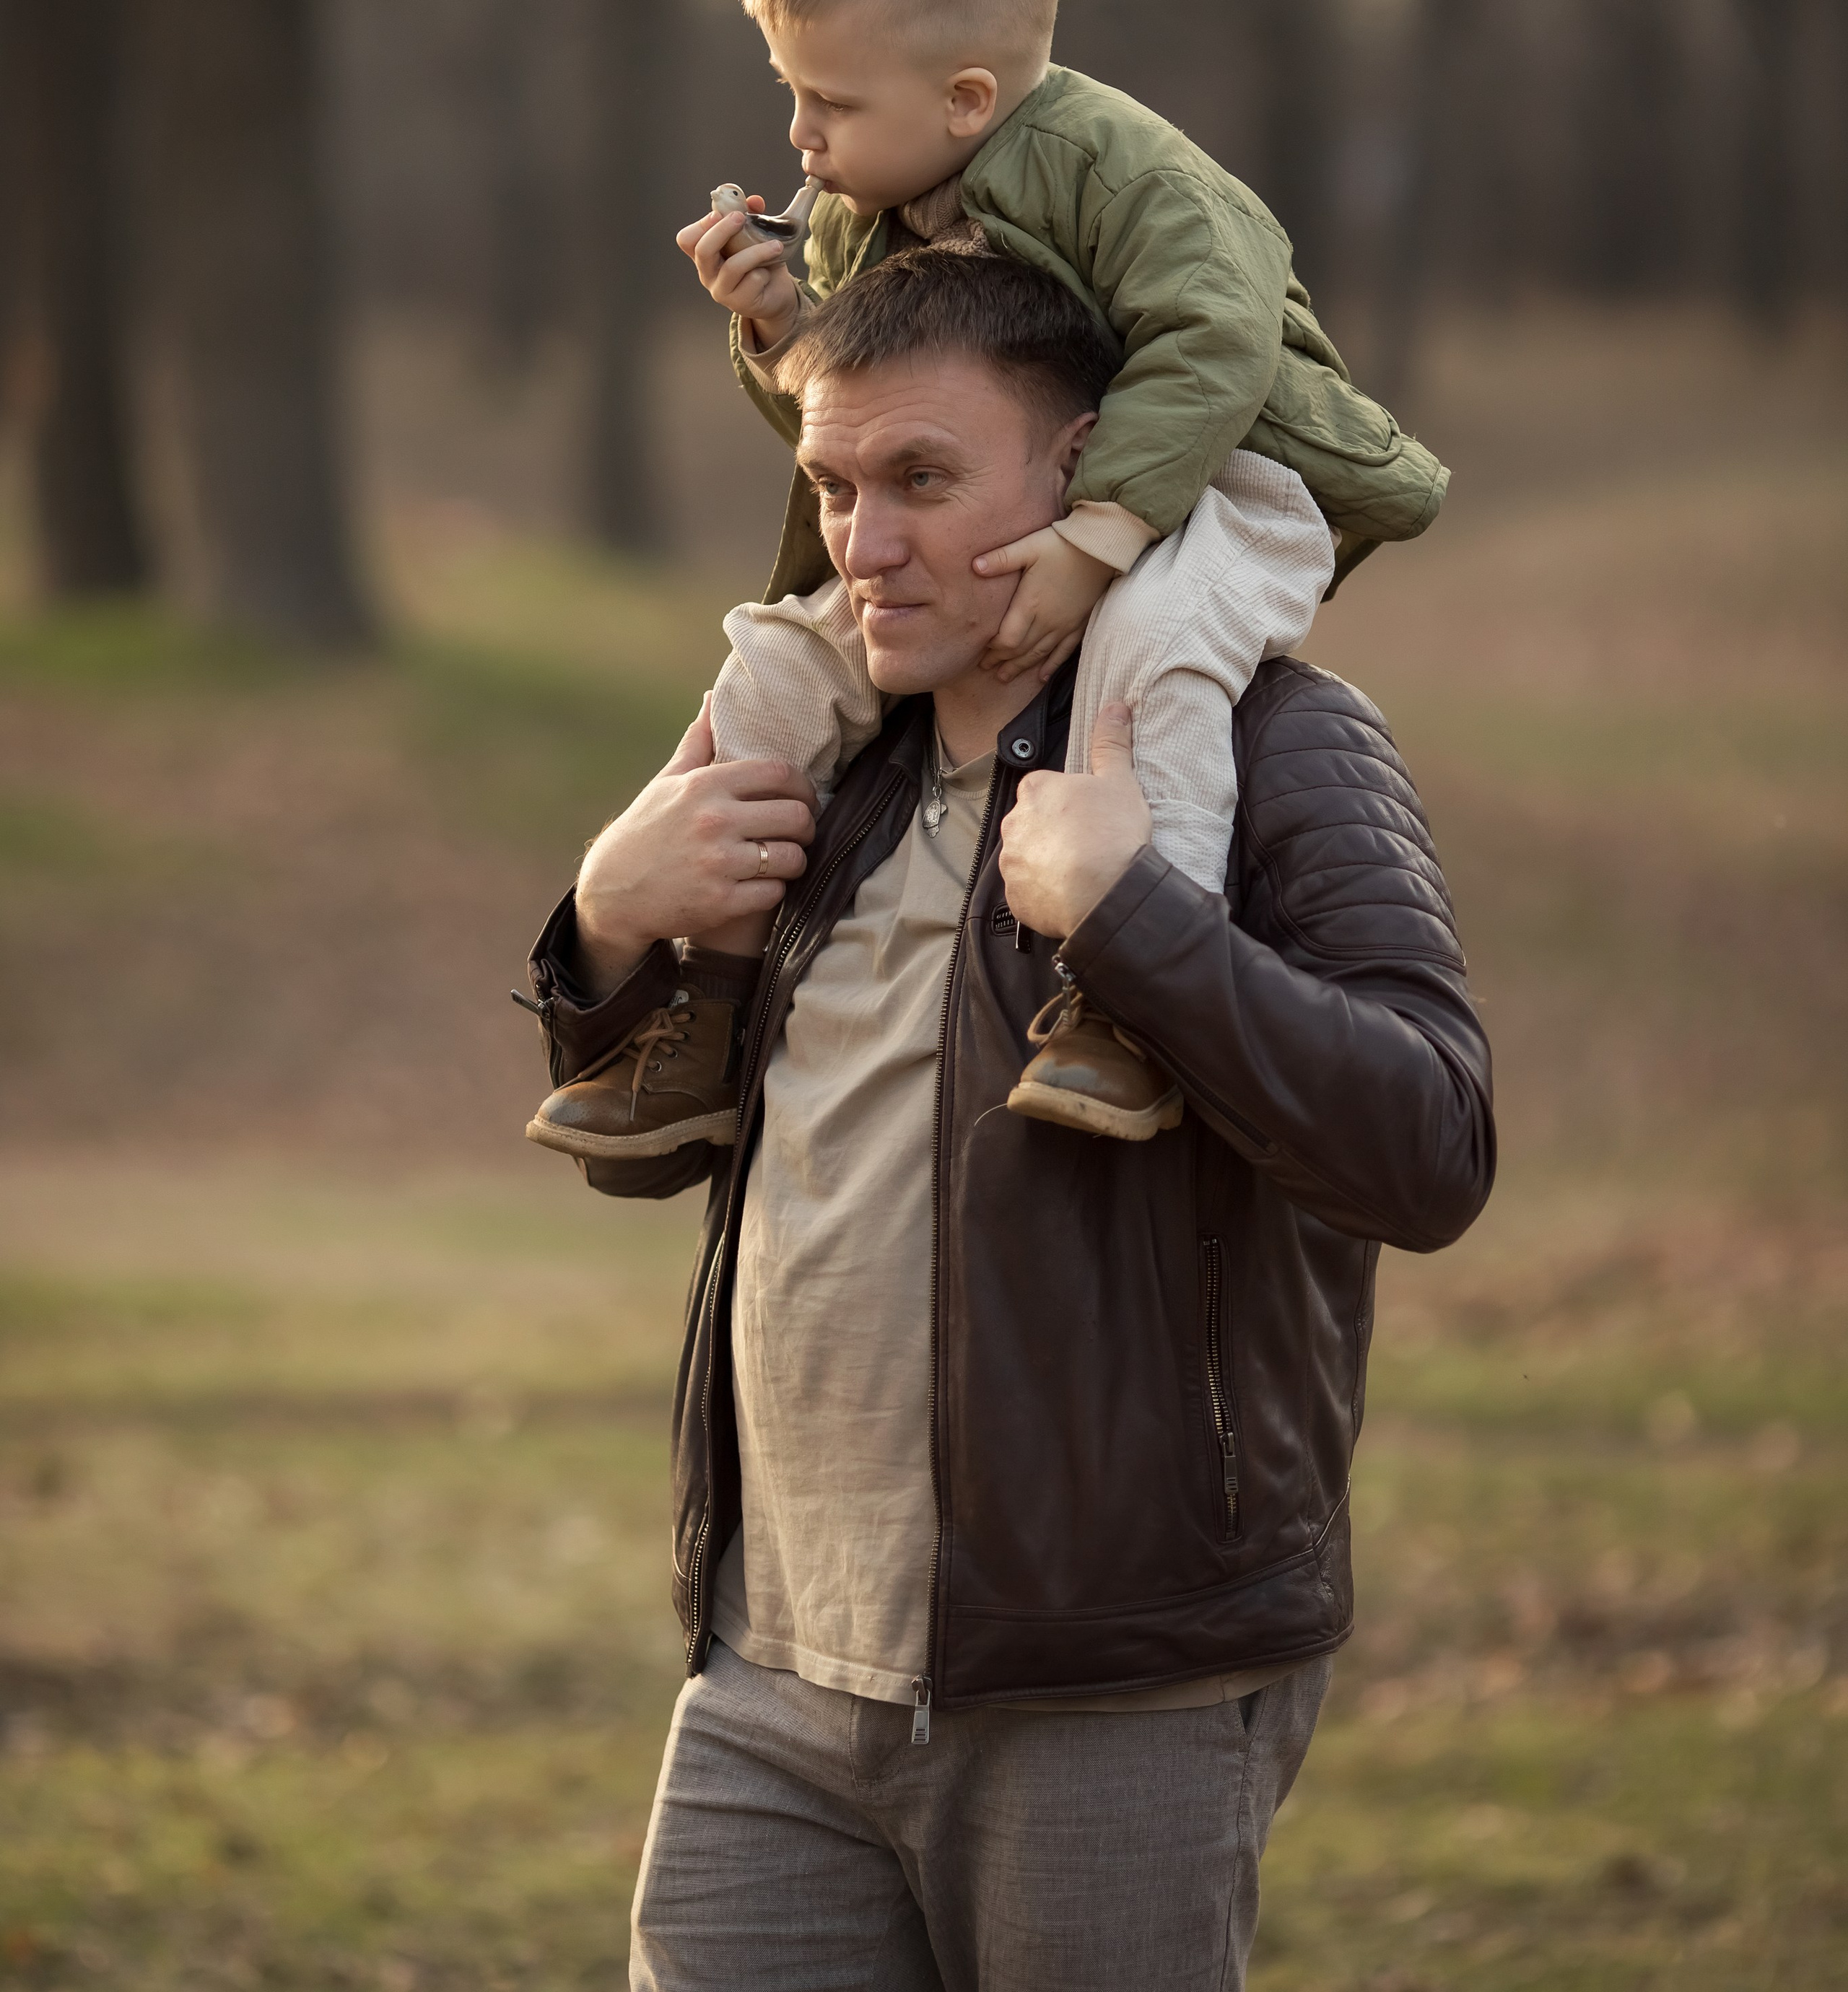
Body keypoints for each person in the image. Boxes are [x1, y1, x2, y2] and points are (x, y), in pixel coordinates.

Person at [517, 252, 1494, 1991]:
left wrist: (1135, 924)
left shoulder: (1276, 748)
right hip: (767, 1679)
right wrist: (602, 928)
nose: (859, 546)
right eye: (831, 486)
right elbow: (662, 1154)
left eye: (920, 482)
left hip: (1111, 1682)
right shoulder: (835, 768)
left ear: (1085, 477)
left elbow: (1425, 1147)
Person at [642, 0, 1446, 1143]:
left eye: (827, 102)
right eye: (790, 94)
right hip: (1018, 507)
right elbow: (865, 418)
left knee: (1149, 654)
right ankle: (706, 1010)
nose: (797, 137)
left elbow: (1217, 345)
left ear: (966, 98)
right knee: (778, 663)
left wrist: (1098, 538)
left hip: (1225, 475)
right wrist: (784, 322)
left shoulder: (1127, 171)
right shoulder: (857, 206)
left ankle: (1129, 1015)